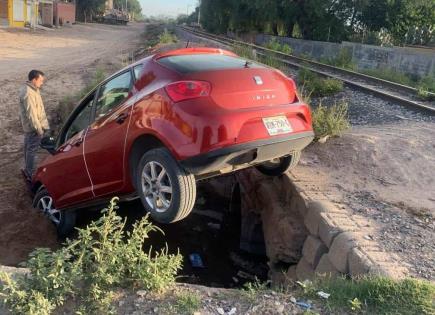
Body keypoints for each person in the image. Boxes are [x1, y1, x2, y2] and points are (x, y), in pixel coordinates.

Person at [19, 70, 50, 181]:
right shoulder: (29, 92)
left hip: (31, 128)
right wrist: (39, 130)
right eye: (40, 81)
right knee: (31, 150)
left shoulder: (32, 89)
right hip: (34, 128)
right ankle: (31, 174)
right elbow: (32, 115)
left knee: (28, 149)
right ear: (34, 79)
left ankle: (28, 170)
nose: (42, 83)